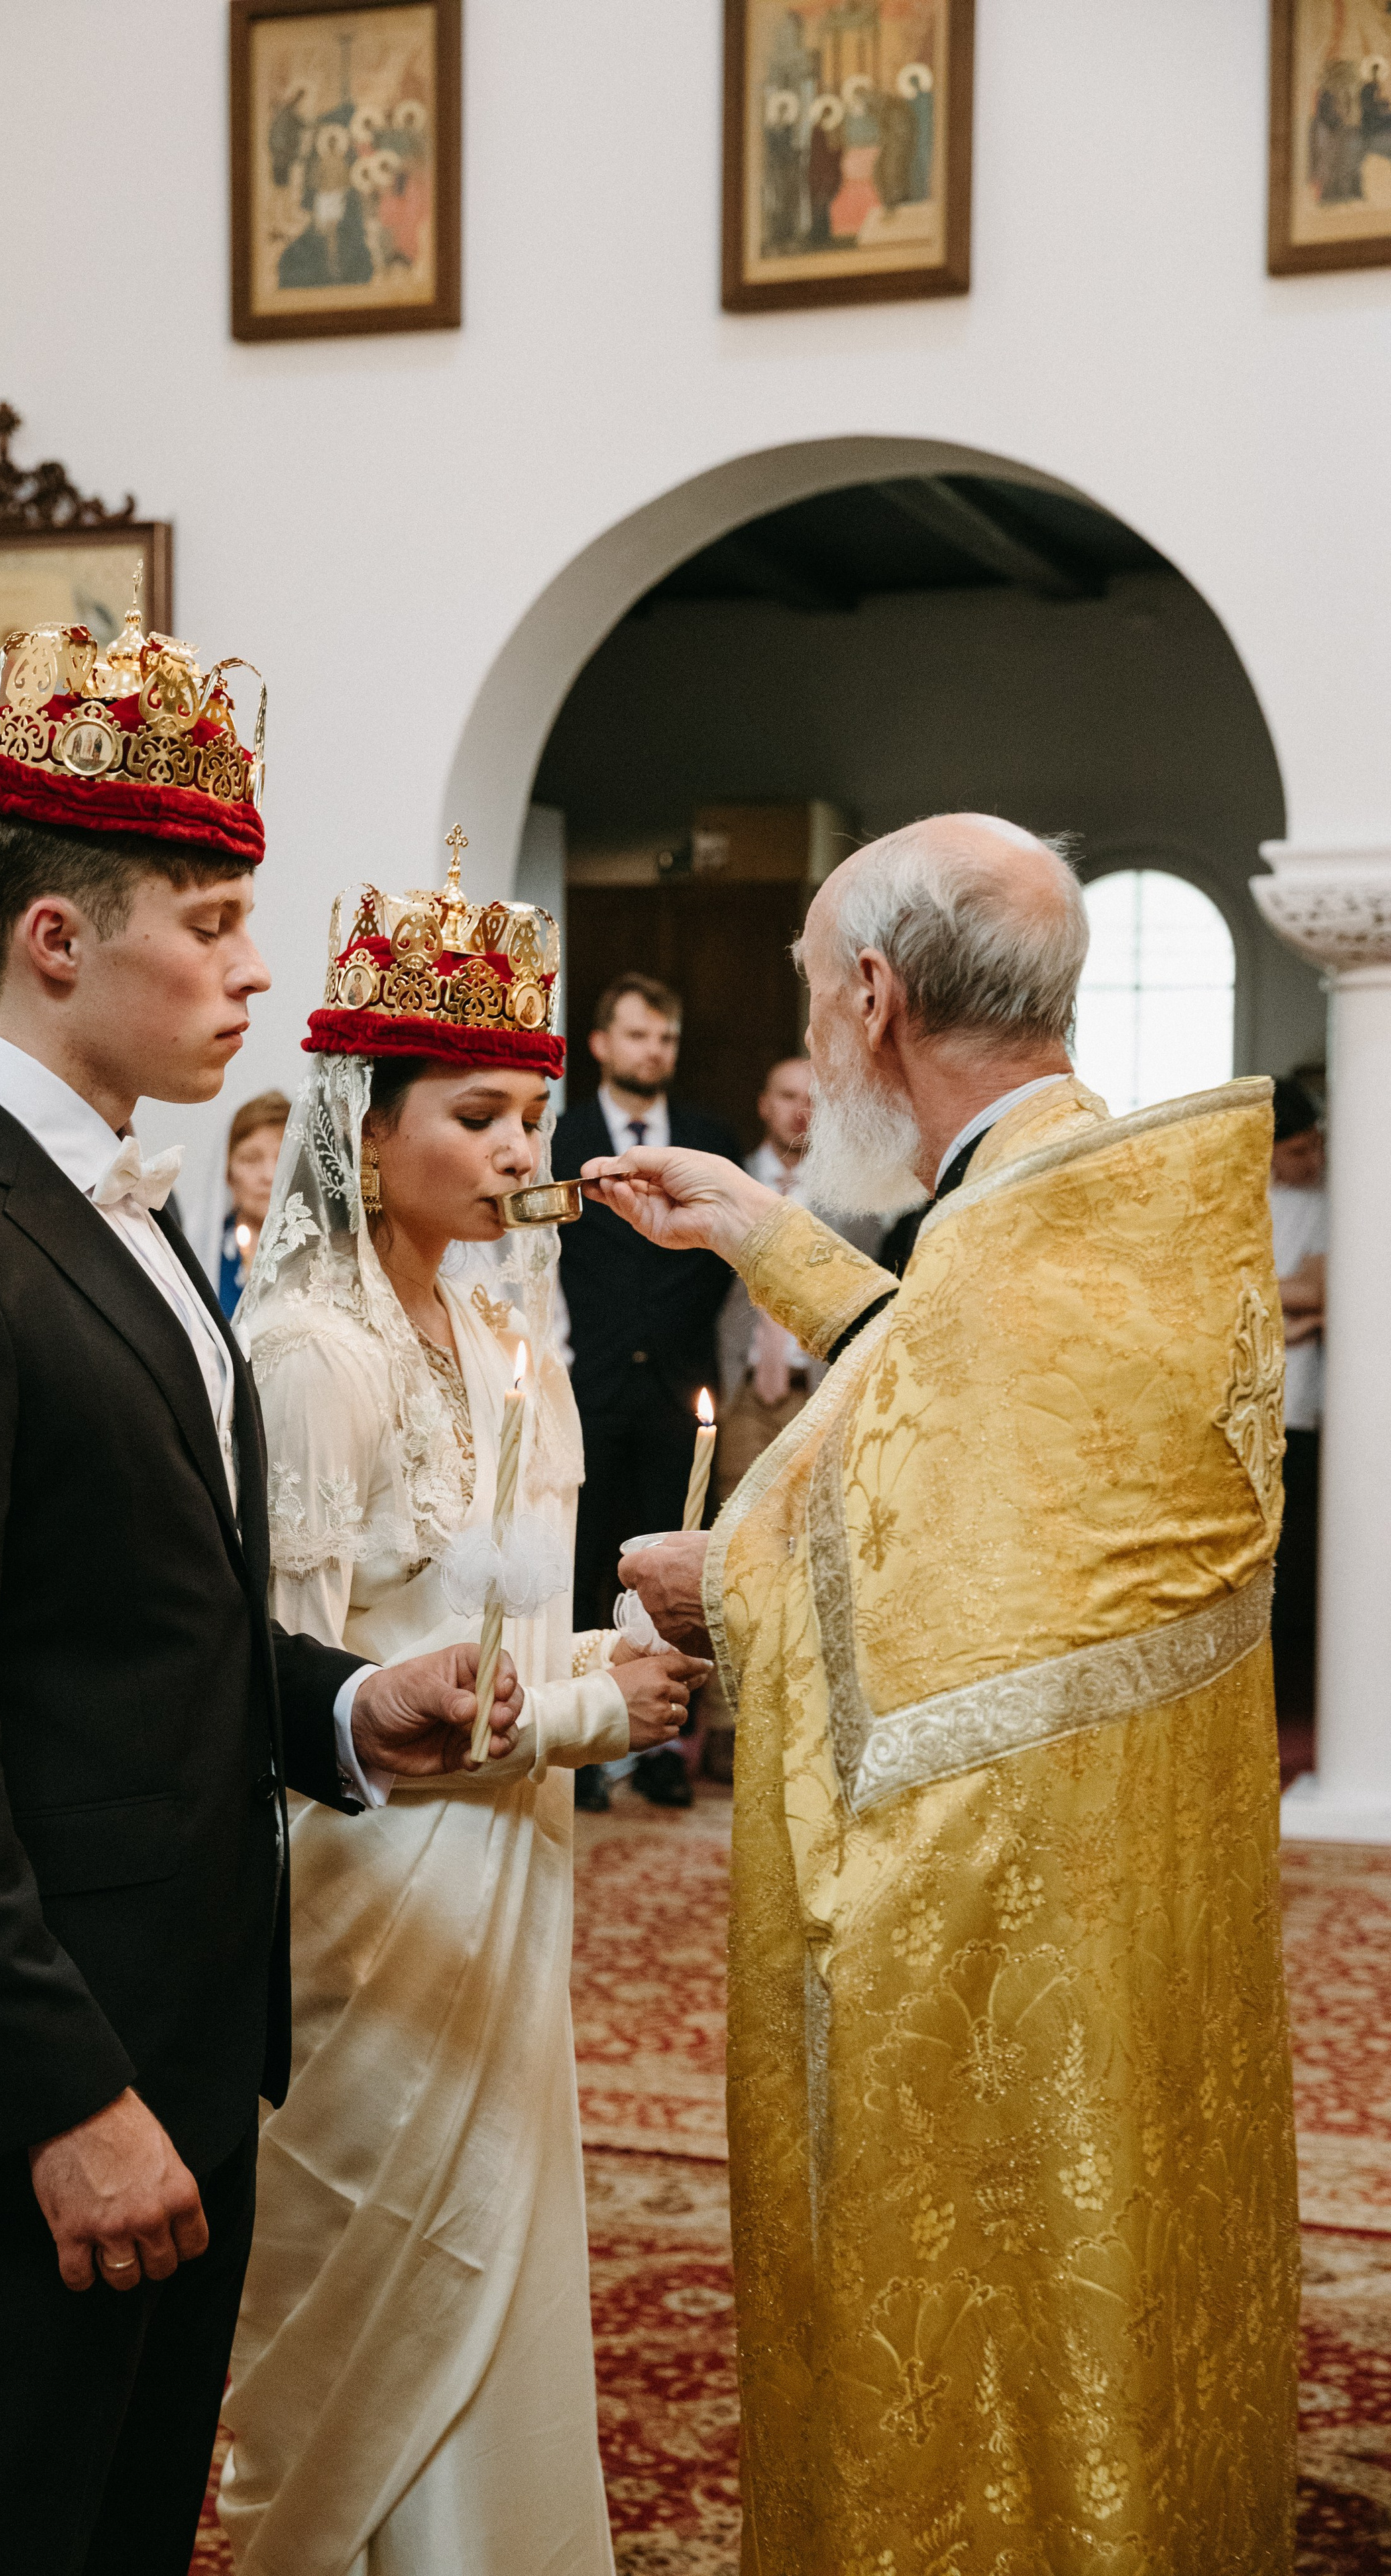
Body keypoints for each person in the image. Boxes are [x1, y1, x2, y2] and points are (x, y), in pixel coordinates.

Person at [0, 610, 523, 2576]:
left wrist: (340, 1705)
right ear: (58, 940)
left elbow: (128, 1622)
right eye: (209, 912)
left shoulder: (134, 1205)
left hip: (172, 2034)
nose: (257, 964)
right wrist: (64, 2097)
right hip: (9, 2092)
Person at [586, 813, 1299, 2573]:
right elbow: (957, 1405)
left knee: (989, 2337)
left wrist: (720, 1583)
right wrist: (769, 1232)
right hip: (1133, 1906)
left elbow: (942, 1618)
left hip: (997, 1954)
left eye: (820, 992)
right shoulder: (1112, 1206)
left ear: (876, 998)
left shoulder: (1009, 1245)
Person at [216, 849, 706, 2575]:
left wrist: (614, 1652)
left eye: (533, 1114)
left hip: (511, 1867)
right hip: (364, 1897)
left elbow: (493, 1625)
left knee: (507, 2252)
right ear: (364, 1125)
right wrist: (580, 1707)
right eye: (482, 1112)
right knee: (368, 2283)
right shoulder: (309, 1351)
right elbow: (286, 1685)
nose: (521, 1150)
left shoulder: (508, 1343)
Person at [552, 971, 737, 1811]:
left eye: (664, 1038)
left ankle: (665, 1744)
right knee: (583, 1563)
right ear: (600, 1043)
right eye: (636, 1036)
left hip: (674, 1390)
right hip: (585, 1385)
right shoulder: (560, 1137)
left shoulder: (706, 1138)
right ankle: (584, 1742)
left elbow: (720, 1262)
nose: (651, 1051)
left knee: (671, 1570)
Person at [714, 1054, 880, 1511]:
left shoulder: (853, 1205)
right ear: (764, 1105)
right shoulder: (727, 1181)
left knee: (809, 1521)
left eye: (814, 1101)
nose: (800, 1111)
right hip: (741, 1392)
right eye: (788, 1097)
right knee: (735, 1520)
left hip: (816, 1392)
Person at [1269, 1075, 1327, 1718]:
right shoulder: (1233, 1198)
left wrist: (1260, 1295)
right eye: (1298, 1152)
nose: (1312, 1163)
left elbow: (1320, 1294)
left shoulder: (1328, 1203)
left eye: (1316, 1148)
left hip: (1302, 1408)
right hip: (1240, 1396)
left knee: (1299, 1555)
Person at [218, 1088, 290, 1318]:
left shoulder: (326, 1251)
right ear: (228, 1174)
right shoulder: (199, 1251)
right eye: (251, 1159)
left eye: (283, 1158)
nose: (269, 1176)